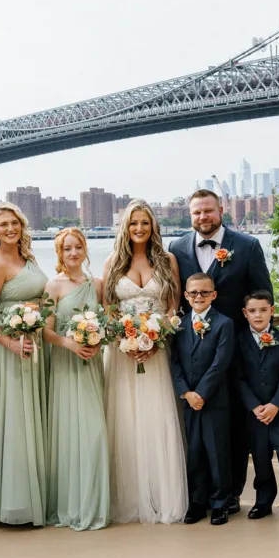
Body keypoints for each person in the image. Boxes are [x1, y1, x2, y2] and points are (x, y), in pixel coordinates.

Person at [170, 189, 271, 514]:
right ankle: (200, 496)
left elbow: (262, 293)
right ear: (190, 215)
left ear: (221, 210)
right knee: (198, 431)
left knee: (235, 429)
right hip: (195, 355)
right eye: (197, 212)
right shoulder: (177, 247)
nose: (203, 217)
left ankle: (229, 496)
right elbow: (175, 297)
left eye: (208, 211)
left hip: (237, 353)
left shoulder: (247, 245)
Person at [105, 198, 187, 524]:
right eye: (133, 223)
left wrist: (156, 339)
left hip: (158, 352)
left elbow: (172, 307)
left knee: (158, 417)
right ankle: (129, 497)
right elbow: (109, 308)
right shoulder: (113, 261)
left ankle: (163, 495)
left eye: (145, 222)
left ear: (154, 226)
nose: (139, 228)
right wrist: (126, 340)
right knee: (126, 419)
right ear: (125, 227)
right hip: (123, 354)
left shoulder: (167, 260)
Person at [0, 202, 49, 526]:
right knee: (16, 419)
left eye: (14, 223)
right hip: (8, 349)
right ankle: (16, 504)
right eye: (2, 224)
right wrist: (10, 343)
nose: (9, 229)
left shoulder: (29, 257)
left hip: (34, 345)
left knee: (33, 417)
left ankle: (39, 497)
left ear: (21, 226)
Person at [43, 228, 110, 531]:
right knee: (68, 432)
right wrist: (70, 344)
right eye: (67, 248)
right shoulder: (52, 286)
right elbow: (45, 331)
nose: (73, 253)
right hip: (64, 363)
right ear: (59, 253)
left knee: (95, 432)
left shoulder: (97, 285)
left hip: (91, 365)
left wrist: (98, 341)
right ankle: (69, 505)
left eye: (78, 247)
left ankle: (95, 503)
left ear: (85, 250)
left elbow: (108, 321)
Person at [170, 273, 235, 525]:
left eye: (204, 292)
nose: (199, 297)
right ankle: (197, 503)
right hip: (189, 401)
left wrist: (202, 393)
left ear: (213, 295)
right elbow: (174, 361)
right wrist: (186, 392)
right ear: (186, 295)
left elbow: (221, 363)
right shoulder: (180, 324)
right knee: (194, 451)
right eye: (194, 293)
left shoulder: (224, 323)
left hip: (214, 400)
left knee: (217, 452)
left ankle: (221, 503)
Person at [236, 289, 279, 525]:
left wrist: (275, 404)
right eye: (252, 311)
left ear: (272, 311)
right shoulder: (239, 340)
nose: (258, 315)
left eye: (263, 310)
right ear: (245, 313)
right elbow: (239, 378)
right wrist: (254, 406)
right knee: (260, 457)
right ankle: (263, 501)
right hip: (254, 413)